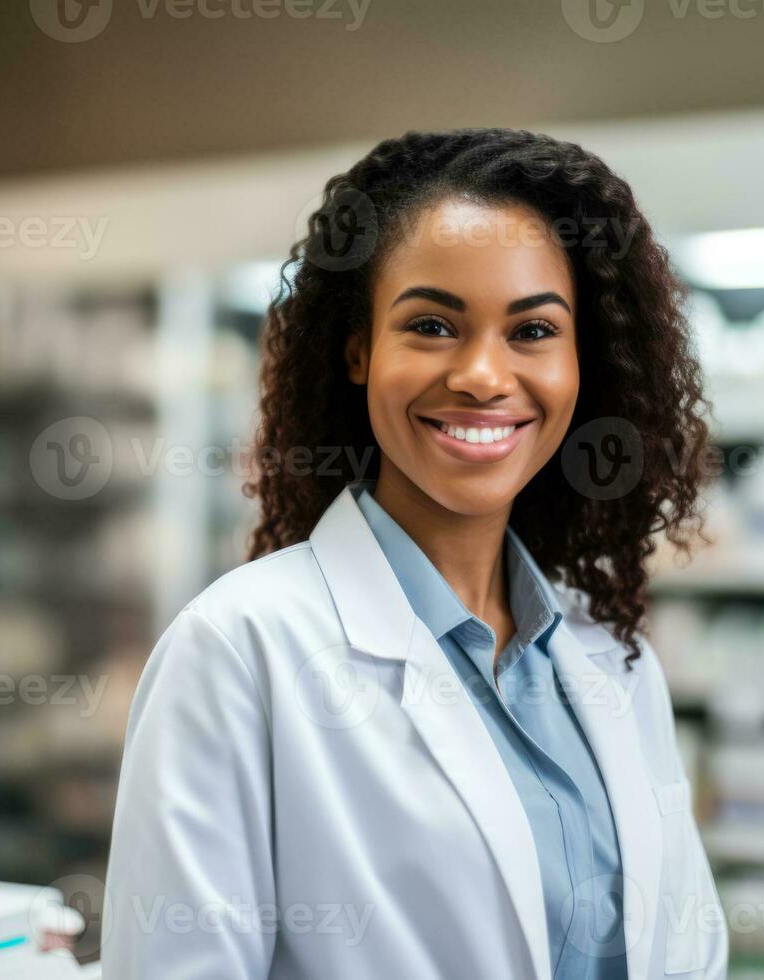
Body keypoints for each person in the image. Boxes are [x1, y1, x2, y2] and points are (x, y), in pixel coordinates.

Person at [105, 128, 727, 979]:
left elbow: (689, 950)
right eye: (432, 325)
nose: (481, 374)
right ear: (359, 352)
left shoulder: (611, 662)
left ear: (584, 364)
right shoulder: (239, 652)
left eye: (533, 330)